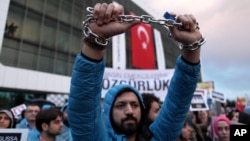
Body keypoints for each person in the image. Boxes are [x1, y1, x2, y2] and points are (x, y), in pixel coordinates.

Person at [68, 2, 204, 141]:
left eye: (134, 105)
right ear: (108, 112)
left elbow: (178, 103)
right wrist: (95, 41)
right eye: (120, 105)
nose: (129, 111)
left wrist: (191, 49)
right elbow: (83, 107)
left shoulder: (157, 137)